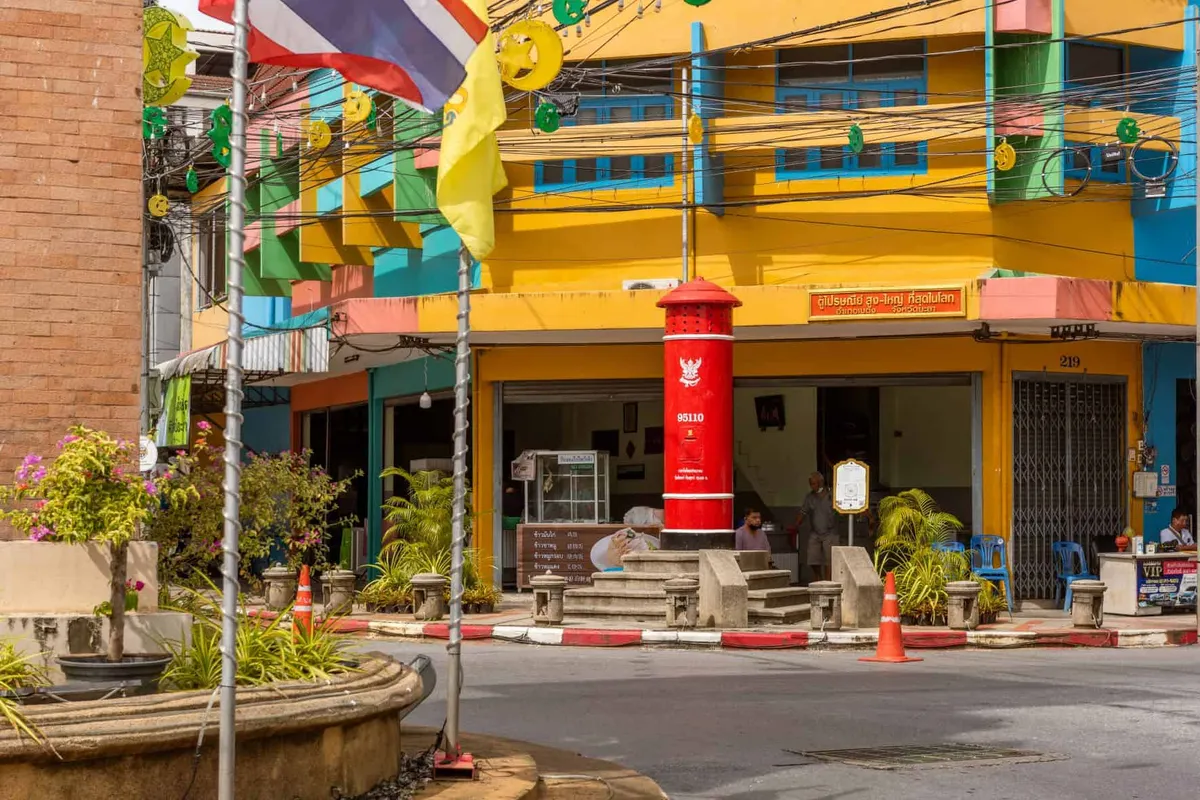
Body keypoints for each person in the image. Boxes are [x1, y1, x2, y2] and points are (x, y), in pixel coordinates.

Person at [798, 472, 838, 581]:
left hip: (830, 532)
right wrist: (796, 525)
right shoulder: (810, 497)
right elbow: (803, 512)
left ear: (821, 482)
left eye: (814, 483)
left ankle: (828, 582)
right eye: (810, 484)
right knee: (812, 558)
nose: (812, 486)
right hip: (815, 532)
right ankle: (818, 578)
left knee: (829, 560)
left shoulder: (832, 495)